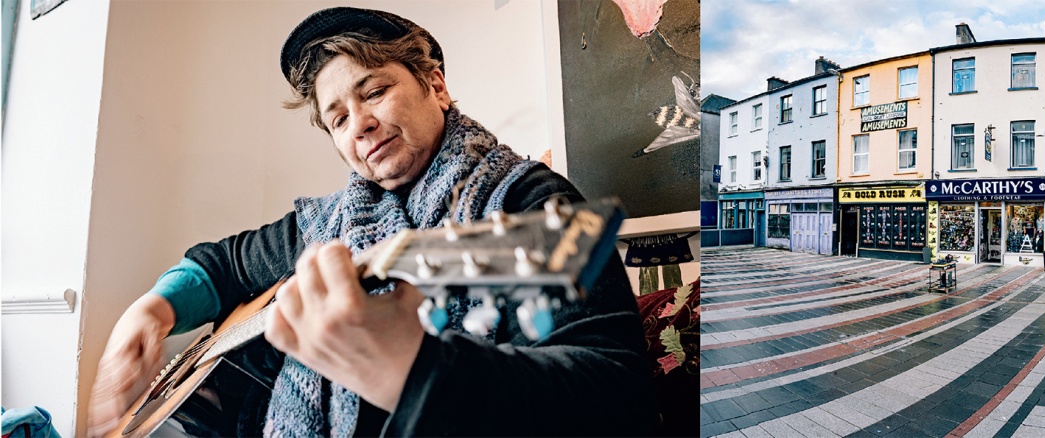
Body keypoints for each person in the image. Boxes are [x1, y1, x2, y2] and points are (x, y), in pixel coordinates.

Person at [87, 7, 656, 437]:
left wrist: (414, 369)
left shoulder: (528, 201)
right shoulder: (326, 223)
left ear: (435, 85)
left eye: (375, 91)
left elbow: (618, 393)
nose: (357, 124)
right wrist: (152, 311)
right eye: (337, 119)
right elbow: (222, 264)